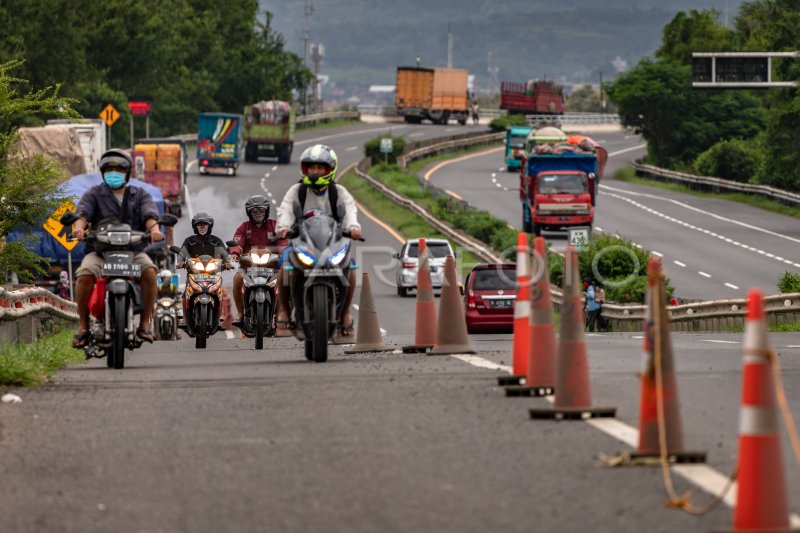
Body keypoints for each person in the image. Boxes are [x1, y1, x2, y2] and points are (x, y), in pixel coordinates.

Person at [71, 149, 163, 348]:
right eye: (109, 169)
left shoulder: (139, 194)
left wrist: (154, 230)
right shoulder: (94, 194)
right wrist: (79, 229)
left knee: (149, 272)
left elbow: (150, 216)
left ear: (127, 173)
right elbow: (82, 216)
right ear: (103, 172)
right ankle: (84, 327)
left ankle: (145, 324)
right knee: (84, 274)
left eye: (119, 169)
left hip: (134, 251)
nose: (114, 172)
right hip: (100, 252)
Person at [274, 144, 361, 337]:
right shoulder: (297, 190)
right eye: (311, 167)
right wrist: (283, 227)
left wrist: (353, 227)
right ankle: (284, 311)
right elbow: (286, 209)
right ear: (305, 169)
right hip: (302, 242)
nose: (315, 171)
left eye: (320, 168)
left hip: (332, 243)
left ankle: (345, 312)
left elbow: (350, 210)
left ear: (330, 169)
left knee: (351, 268)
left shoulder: (338, 192)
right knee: (285, 266)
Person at [229, 195, 289, 333]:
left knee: (284, 279)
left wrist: (284, 255)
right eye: (254, 211)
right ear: (249, 212)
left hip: (272, 267)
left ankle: (279, 314)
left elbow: (284, 243)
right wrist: (234, 254)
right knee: (237, 279)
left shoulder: (275, 226)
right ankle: (240, 314)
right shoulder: (244, 227)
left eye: (261, 211)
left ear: (266, 211)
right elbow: (237, 243)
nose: (258, 214)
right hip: (249, 267)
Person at [176, 212, 231, 329]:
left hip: (213, 274)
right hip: (193, 274)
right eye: (199, 225)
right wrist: (180, 262)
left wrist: (227, 263)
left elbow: (225, 255)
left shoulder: (216, 241)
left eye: (204, 225)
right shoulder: (189, 241)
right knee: (186, 294)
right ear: (195, 227)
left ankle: (218, 319)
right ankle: (185, 319)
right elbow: (181, 254)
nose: (202, 227)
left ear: (209, 227)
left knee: (218, 293)